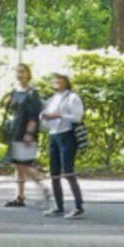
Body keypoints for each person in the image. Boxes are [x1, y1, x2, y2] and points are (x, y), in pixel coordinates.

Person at [41, 69, 86, 217]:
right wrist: (45, 117)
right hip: (54, 135)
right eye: (55, 79)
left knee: (68, 171)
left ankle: (78, 206)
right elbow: (45, 115)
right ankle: (59, 206)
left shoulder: (72, 97)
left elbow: (77, 117)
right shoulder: (53, 98)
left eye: (60, 79)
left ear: (66, 81)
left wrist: (59, 115)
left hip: (67, 135)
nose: (57, 82)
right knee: (54, 173)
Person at [0, 61, 43, 207]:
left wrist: (29, 133)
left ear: (28, 74)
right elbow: (9, 109)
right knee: (18, 165)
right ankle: (20, 196)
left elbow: (34, 115)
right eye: (17, 72)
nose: (20, 75)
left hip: (26, 131)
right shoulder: (14, 92)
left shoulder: (32, 93)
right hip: (15, 130)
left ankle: (42, 186)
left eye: (22, 72)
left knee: (23, 164)